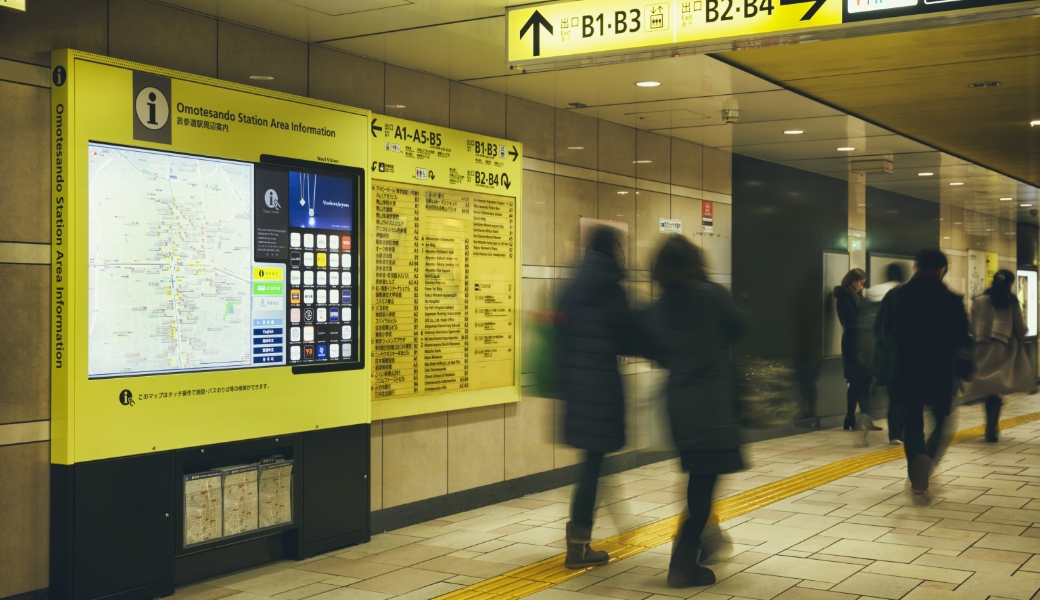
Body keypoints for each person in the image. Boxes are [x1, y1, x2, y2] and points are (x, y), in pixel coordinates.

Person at [639, 236, 746, 588]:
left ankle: (704, 543)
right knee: (703, 486)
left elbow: (654, 350)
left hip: (680, 405)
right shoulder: (713, 295)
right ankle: (684, 563)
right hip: (714, 404)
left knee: (699, 480)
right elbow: (740, 328)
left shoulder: (660, 307)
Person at [557, 226, 633, 569]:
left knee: (593, 462)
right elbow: (626, 339)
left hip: (575, 387)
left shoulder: (571, 287)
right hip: (601, 389)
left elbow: (560, 334)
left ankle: (581, 540)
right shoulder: (612, 290)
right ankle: (578, 547)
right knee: (593, 466)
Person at [876, 249, 970, 493]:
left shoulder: (896, 297)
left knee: (912, 424)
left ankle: (918, 477)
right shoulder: (951, 300)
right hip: (940, 372)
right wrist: (965, 371)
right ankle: (927, 460)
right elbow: (962, 340)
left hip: (904, 371)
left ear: (915, 267)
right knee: (943, 420)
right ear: (941, 270)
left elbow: (880, 331)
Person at [969, 270, 1030, 442]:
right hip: (1003, 347)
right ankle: (992, 426)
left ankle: (990, 423)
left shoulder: (979, 300)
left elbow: (972, 327)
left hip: (981, 347)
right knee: (996, 388)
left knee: (989, 388)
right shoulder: (1010, 302)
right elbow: (1021, 329)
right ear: (1010, 283)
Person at [859, 263, 907, 444]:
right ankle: (895, 432)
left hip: (875, 347)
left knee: (877, 383)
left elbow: (870, 324)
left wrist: (863, 348)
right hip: (896, 351)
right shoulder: (900, 293)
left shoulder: (871, 292)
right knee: (897, 393)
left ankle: (867, 413)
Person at [834, 268, 876, 431]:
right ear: (853, 281)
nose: (861, 287)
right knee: (856, 381)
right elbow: (850, 323)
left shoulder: (856, 296)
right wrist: (859, 347)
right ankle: (851, 417)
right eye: (860, 283)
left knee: (863, 382)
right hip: (853, 344)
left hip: (862, 343)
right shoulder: (845, 297)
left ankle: (861, 417)